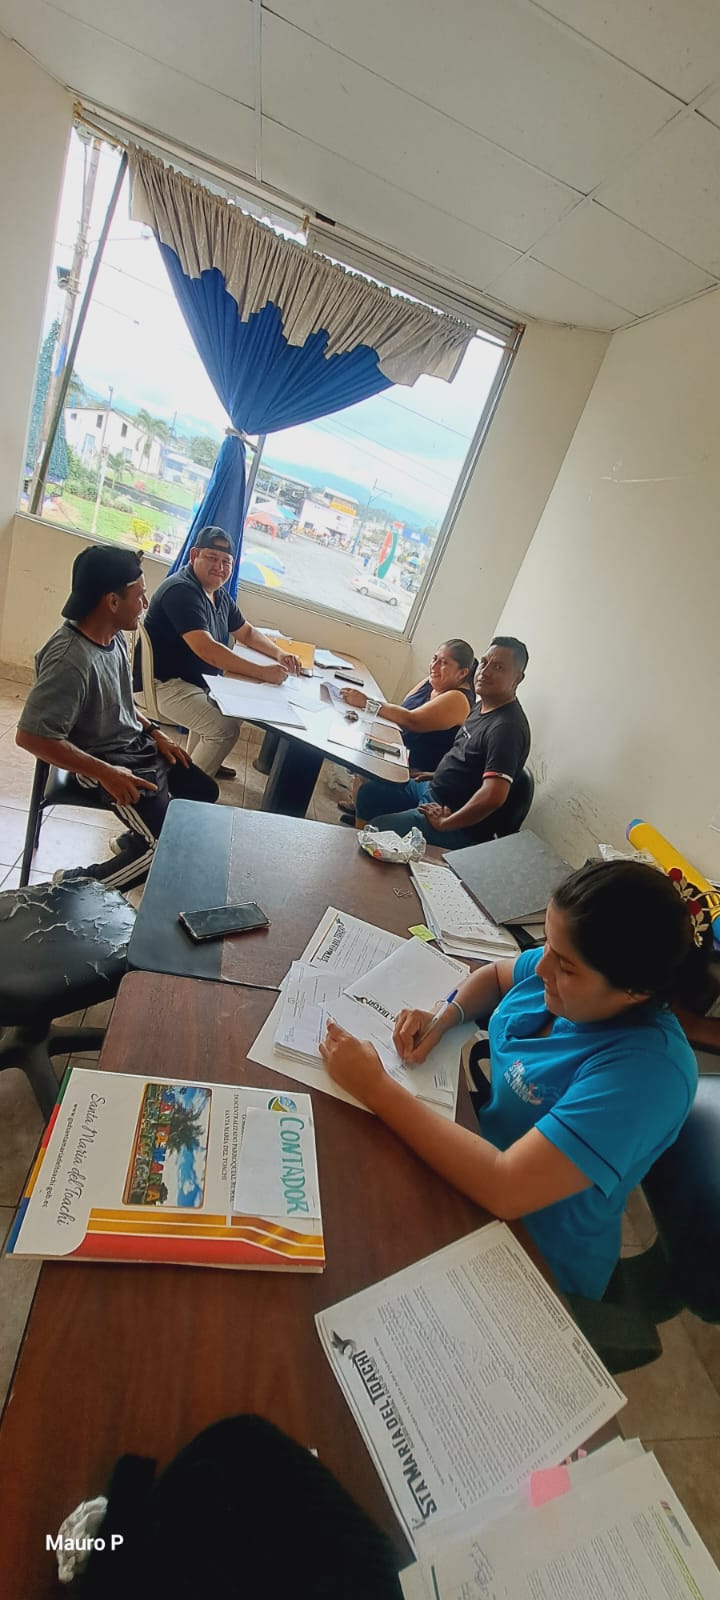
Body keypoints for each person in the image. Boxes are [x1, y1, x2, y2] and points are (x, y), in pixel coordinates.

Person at [320, 860, 704, 1300]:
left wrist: (375, 1086)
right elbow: (496, 976)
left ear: (635, 991)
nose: (541, 969)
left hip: (530, 1253)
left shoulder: (646, 1075)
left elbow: (506, 1187)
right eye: (547, 944)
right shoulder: (564, 975)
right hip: (470, 1158)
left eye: (565, 966)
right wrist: (446, 1015)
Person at [16, 544, 218, 892]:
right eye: (139, 596)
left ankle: (135, 840)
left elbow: (120, 701)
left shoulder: (115, 637)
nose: (145, 603)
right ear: (112, 602)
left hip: (134, 746)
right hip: (100, 761)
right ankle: (72, 890)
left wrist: (154, 733)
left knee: (203, 793)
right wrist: (106, 773)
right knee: (166, 849)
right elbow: (31, 737)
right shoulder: (69, 660)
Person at [140, 526, 302, 779]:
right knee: (224, 729)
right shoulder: (181, 591)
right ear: (194, 555)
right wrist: (263, 672)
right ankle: (186, 788)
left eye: (226, 562)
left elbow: (246, 632)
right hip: (163, 684)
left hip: (195, 682)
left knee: (237, 708)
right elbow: (207, 650)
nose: (219, 567)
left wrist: (279, 654)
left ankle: (200, 764)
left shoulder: (218, 594)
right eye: (212, 558)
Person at [354, 636, 530, 849]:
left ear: (517, 678)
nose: (485, 672)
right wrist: (436, 774)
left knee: (380, 828)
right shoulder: (482, 706)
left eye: (499, 667)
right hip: (433, 789)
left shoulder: (507, 728)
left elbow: (493, 796)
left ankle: (371, 855)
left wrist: (446, 823)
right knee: (368, 794)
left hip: (457, 822)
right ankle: (368, 851)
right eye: (484, 662)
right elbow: (467, 759)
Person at [336, 638, 476, 824]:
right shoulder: (433, 681)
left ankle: (365, 813)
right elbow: (403, 707)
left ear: (462, 673)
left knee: (365, 754)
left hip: (416, 766)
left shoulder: (458, 699)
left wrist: (366, 702)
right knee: (359, 736)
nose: (434, 666)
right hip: (398, 747)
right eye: (434, 658)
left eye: (444, 663)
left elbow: (412, 720)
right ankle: (360, 809)